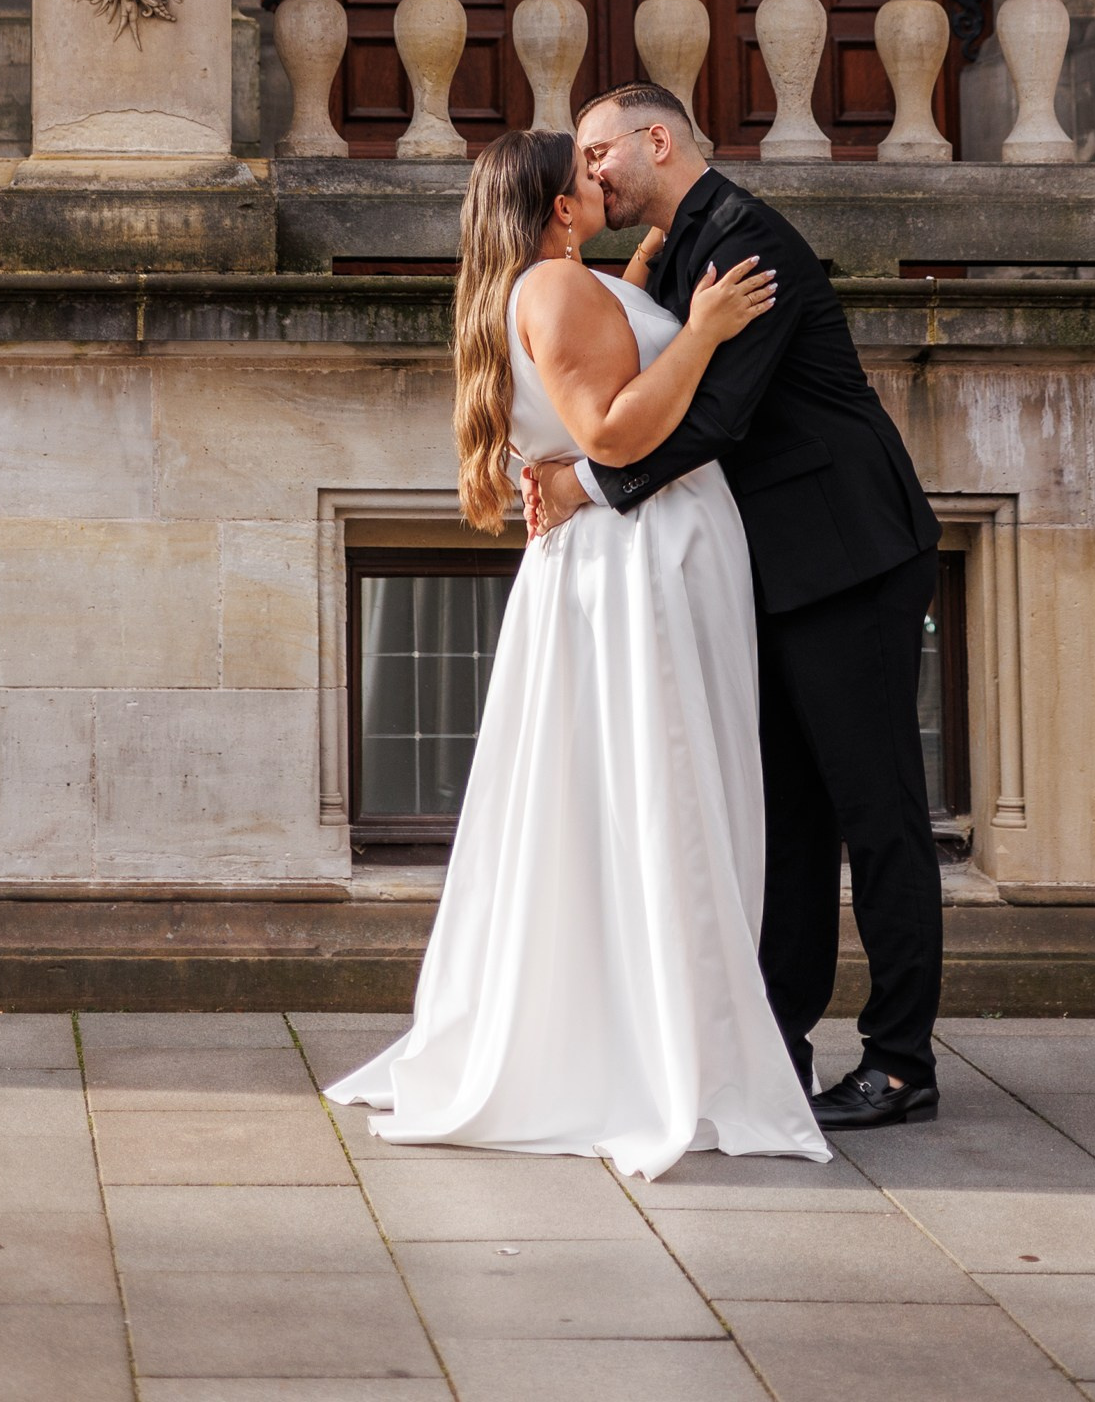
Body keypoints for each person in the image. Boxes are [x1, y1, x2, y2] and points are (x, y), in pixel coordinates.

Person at [327, 127, 829, 1180]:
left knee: (632, 789)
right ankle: (657, 1054)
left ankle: (652, 1026)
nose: (601, 177)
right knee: (661, 790)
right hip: (635, 562)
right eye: (583, 172)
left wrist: (646, 280)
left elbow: (602, 340)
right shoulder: (554, 294)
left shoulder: (564, 281)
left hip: (631, 556)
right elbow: (609, 433)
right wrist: (697, 332)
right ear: (558, 207)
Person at [527, 82, 945, 1132]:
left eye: (596, 152)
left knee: (876, 812)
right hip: (767, 569)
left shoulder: (746, 243)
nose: (586, 174)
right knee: (789, 824)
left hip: (849, 557)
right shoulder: (670, 248)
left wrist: (588, 482)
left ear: (654, 139)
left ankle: (901, 1061)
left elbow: (713, 413)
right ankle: (775, 1044)